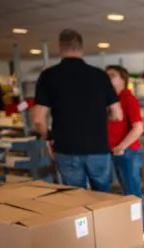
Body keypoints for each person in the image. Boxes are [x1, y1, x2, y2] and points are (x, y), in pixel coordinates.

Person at [32, 29, 123, 192]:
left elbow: (38, 119)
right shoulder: (100, 75)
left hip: (66, 148)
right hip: (98, 147)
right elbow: (117, 114)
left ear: (60, 48)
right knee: (103, 196)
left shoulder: (48, 76)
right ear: (82, 49)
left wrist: (48, 137)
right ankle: (102, 218)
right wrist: (98, 117)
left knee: (75, 197)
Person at [105, 65, 144, 236]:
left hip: (128, 152)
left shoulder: (129, 99)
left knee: (133, 194)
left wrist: (121, 147)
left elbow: (138, 128)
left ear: (123, 79)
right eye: (106, 75)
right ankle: (131, 230)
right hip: (116, 152)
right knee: (125, 194)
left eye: (112, 75)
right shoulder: (109, 100)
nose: (108, 78)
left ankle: (141, 232)